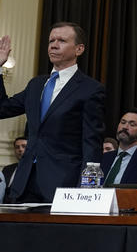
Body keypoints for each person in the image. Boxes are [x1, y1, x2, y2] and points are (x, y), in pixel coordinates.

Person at [0, 23, 105, 202]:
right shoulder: (36, 85)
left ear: (79, 49)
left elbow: (91, 142)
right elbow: (3, 108)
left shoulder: (91, 89)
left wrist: (87, 189)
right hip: (24, 182)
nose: (53, 45)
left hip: (63, 182)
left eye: (62, 41)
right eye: (51, 41)